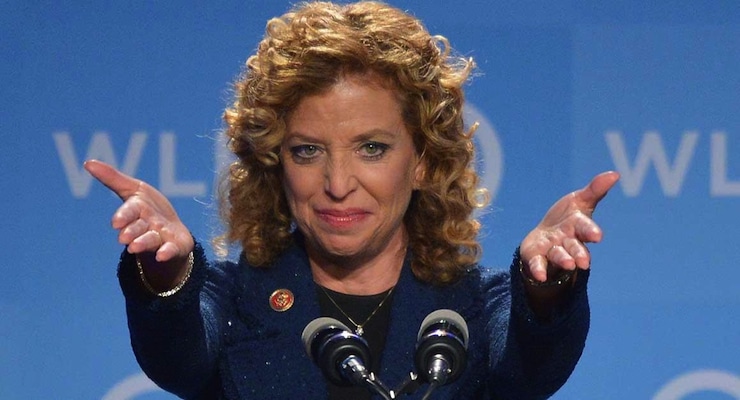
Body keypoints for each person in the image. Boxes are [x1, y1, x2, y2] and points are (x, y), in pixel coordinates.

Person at [85, 1, 620, 399]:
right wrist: (167, 275)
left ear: (423, 160)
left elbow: (531, 364)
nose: (338, 183)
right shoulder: (232, 306)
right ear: (276, 163)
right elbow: (176, 355)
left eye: (371, 148)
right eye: (308, 150)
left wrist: (549, 288)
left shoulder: (474, 311)